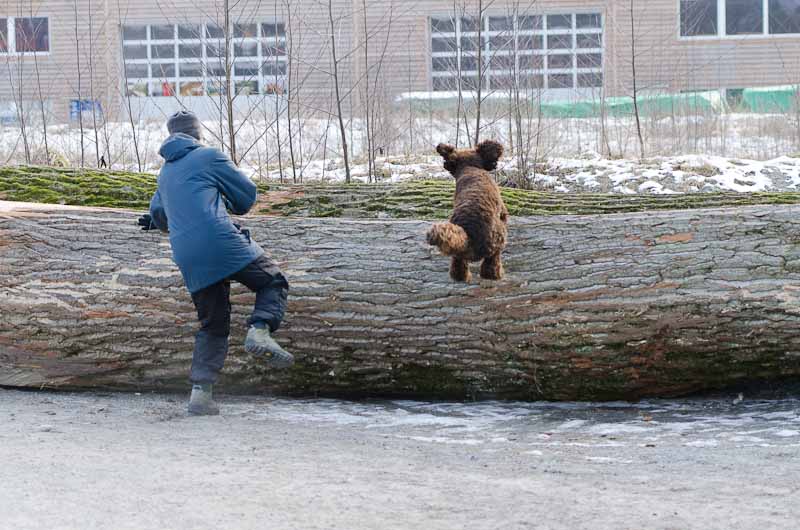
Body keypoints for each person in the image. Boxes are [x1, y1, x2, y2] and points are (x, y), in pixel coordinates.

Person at [137, 110, 293, 416]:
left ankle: (201, 393)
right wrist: (226, 201)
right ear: (197, 134)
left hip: (187, 255)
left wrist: (158, 221)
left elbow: (160, 216)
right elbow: (246, 196)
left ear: (171, 136)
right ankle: (260, 330)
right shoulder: (208, 156)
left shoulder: (165, 173)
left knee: (213, 324)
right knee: (272, 281)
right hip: (222, 242)